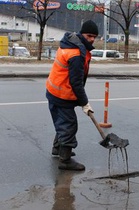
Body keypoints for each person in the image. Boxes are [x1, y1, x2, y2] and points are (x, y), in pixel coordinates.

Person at [46, 20, 98, 171]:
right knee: (69, 126)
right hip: (61, 94)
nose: (92, 39)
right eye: (89, 36)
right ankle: (65, 160)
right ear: (82, 34)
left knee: (61, 122)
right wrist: (85, 103)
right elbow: (76, 82)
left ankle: (57, 149)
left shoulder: (71, 44)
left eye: (94, 37)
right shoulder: (76, 53)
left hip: (55, 90)